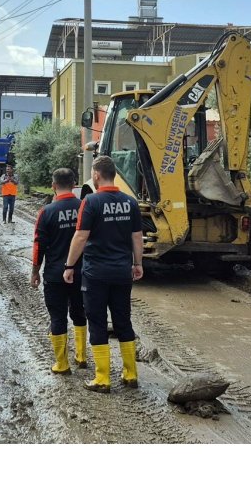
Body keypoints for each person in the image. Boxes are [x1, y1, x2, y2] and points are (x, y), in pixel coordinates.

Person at [64, 155, 143, 393]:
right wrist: (137, 263)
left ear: (97, 175)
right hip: (121, 272)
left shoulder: (91, 202)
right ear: (115, 174)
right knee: (123, 320)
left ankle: (102, 379)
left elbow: (80, 236)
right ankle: (130, 375)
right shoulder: (130, 203)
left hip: (96, 273)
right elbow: (137, 237)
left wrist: (69, 266)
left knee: (97, 322)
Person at [31, 167, 87, 374]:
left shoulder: (46, 212)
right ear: (74, 185)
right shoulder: (84, 207)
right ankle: (81, 356)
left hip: (55, 274)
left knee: (58, 316)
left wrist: (35, 271)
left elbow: (39, 245)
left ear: (54, 186)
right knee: (80, 313)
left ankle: (62, 364)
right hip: (81, 273)